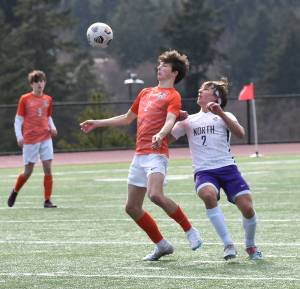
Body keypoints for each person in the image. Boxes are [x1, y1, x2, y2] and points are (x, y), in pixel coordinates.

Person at [80, 50, 202, 261]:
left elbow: (171, 120)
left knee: (155, 195)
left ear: (174, 73)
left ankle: (190, 230)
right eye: (159, 65)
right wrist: (97, 123)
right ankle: (162, 245)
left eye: (164, 66)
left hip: (157, 154)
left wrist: (162, 134)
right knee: (132, 207)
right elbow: (128, 118)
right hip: (139, 156)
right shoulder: (145, 92)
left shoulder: (173, 95)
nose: (159, 68)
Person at [170, 78, 263, 260]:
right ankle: (228, 244)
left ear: (216, 97)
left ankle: (251, 246)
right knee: (207, 194)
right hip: (204, 171)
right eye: (201, 88)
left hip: (228, 168)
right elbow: (165, 140)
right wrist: (172, 118)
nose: (200, 91)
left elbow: (240, 133)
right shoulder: (188, 120)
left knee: (247, 207)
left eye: (206, 89)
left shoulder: (225, 116)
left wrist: (221, 114)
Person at [8, 70, 58, 209]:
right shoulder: (25, 99)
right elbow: (18, 120)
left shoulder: (48, 99)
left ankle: (47, 200)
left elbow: (48, 117)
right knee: (28, 171)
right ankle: (15, 191)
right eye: (37, 82)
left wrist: (52, 127)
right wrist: (19, 136)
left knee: (48, 167)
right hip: (30, 139)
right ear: (32, 84)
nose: (40, 84)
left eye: (42, 81)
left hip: (45, 137)